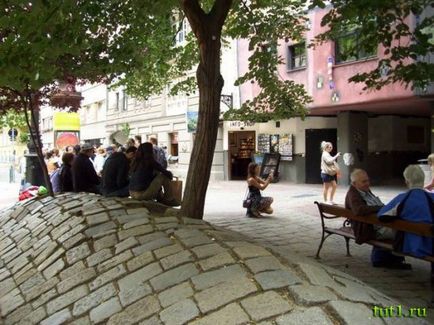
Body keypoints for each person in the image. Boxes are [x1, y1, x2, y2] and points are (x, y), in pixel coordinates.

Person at [345, 169, 410, 269]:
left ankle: (383, 258)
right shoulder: (353, 194)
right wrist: (381, 208)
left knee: (400, 226)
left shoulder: (363, 190)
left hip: (376, 224)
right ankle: (391, 259)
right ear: (354, 183)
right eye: (364, 181)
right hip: (367, 229)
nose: (368, 183)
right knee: (402, 232)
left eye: (368, 180)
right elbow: (358, 210)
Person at [379, 165, 434, 258]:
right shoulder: (431, 198)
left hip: (410, 245)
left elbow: (381, 215)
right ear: (423, 180)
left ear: (407, 181)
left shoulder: (403, 198)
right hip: (431, 245)